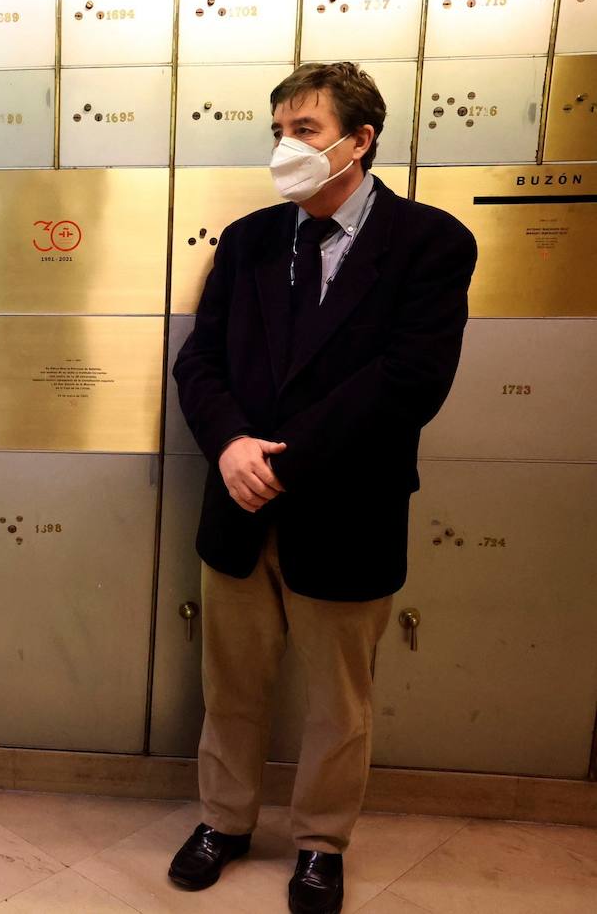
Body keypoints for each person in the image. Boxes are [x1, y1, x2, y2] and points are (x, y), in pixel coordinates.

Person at [169, 63, 477, 914]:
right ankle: (223, 821)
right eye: (277, 130)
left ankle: (319, 843)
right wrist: (231, 443)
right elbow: (199, 360)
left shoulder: (431, 243)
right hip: (237, 506)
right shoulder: (250, 239)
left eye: (303, 130)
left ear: (360, 139)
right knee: (230, 685)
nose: (285, 147)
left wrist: (283, 461)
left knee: (339, 701)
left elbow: (408, 382)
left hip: (347, 510)